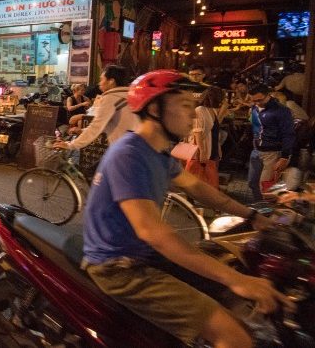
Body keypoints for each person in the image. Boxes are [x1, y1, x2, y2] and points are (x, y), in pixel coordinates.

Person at [83, 69, 291, 347]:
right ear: (155, 108)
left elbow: (197, 188)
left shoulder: (156, 152)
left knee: (235, 277)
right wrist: (236, 280)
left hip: (146, 256)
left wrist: (252, 215)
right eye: (185, 105)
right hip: (121, 268)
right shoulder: (129, 154)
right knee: (234, 335)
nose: (193, 114)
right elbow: (153, 233)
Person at [54, 65, 138, 151]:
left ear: (111, 81)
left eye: (102, 79)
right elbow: (109, 124)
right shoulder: (130, 96)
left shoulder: (111, 97)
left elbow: (96, 126)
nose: (99, 83)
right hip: (136, 148)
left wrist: (70, 145)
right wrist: (82, 131)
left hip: (124, 150)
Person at [247, 83, 296, 202]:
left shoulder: (282, 111)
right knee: (252, 183)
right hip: (256, 150)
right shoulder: (254, 107)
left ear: (268, 95)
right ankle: (260, 207)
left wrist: (284, 157)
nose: (257, 103)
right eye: (254, 100)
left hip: (272, 153)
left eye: (260, 100)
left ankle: (266, 213)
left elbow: (288, 134)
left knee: (266, 187)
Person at [186, 87, 226, 189]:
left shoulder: (212, 110)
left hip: (211, 147)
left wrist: (224, 109)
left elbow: (215, 127)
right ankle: (191, 199)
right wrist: (202, 151)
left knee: (205, 176)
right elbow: (197, 132)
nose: (222, 101)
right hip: (203, 149)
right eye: (221, 99)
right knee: (196, 177)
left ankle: (200, 196)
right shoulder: (199, 110)